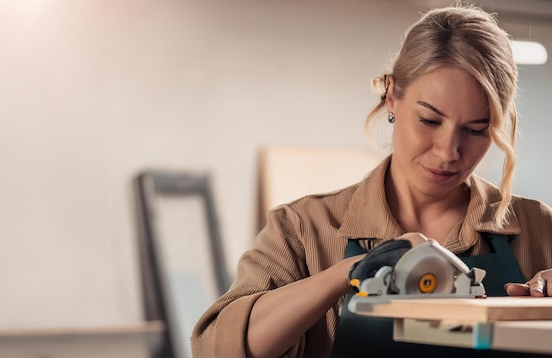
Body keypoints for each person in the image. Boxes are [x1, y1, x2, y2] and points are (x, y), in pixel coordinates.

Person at [191, 4, 552, 358]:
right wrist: (347, 272)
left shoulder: (538, 228)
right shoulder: (303, 229)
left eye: (475, 130)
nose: (447, 152)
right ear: (392, 96)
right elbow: (216, 349)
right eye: (429, 121)